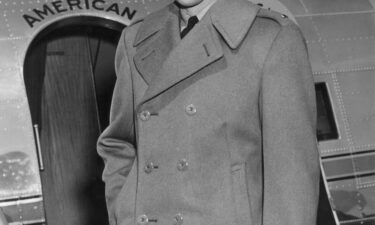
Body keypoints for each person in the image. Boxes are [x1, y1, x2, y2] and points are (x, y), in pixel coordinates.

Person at [97, 0, 320, 224]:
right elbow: (119, 143)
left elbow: (291, 182)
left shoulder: (272, 37)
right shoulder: (136, 38)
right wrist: (124, 212)